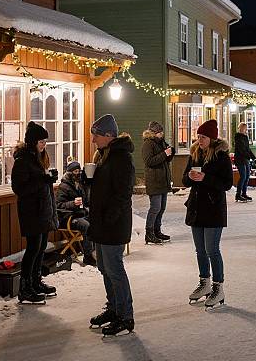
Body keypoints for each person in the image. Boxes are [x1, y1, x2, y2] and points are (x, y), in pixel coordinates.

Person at [87, 114, 135, 336]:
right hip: (102, 222)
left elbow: (123, 193)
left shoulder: (121, 158)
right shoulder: (103, 156)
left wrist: (109, 217)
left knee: (114, 269)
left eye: (96, 135)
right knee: (104, 267)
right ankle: (114, 308)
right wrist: (88, 181)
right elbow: (104, 187)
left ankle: (125, 316)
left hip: (113, 224)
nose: (93, 140)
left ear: (108, 135)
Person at [183, 119, 233, 309]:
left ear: (212, 138)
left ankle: (218, 287)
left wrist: (206, 178)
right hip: (196, 207)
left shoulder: (221, 156)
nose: (199, 140)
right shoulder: (195, 153)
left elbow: (227, 183)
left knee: (212, 249)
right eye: (198, 136)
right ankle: (204, 282)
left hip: (213, 208)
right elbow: (184, 179)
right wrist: (189, 177)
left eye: (203, 137)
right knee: (200, 250)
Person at [11, 121, 59, 304]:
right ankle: (25, 288)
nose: (44, 145)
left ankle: (36, 282)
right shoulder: (23, 160)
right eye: (41, 141)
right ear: (32, 142)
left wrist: (47, 180)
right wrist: (44, 180)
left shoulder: (38, 159)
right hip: (31, 211)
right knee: (33, 248)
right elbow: (19, 188)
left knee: (41, 247)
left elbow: (39, 183)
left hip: (43, 210)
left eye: (45, 142)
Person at [56, 160, 96, 266]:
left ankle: (95, 253)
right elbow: (59, 205)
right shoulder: (63, 187)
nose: (77, 173)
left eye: (79, 171)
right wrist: (73, 203)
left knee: (96, 221)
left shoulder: (79, 185)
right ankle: (88, 256)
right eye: (75, 171)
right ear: (69, 173)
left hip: (80, 214)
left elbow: (85, 201)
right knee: (87, 226)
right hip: (68, 217)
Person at [142, 121, 175, 244]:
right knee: (155, 207)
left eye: (162, 132)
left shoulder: (161, 142)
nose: (162, 134)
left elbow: (166, 159)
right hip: (154, 180)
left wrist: (170, 153)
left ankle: (157, 230)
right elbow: (149, 161)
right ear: (154, 133)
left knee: (162, 208)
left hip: (163, 180)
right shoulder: (148, 144)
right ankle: (149, 233)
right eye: (160, 132)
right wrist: (164, 154)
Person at [234, 123, 256, 202]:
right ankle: (238, 194)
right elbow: (241, 149)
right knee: (243, 176)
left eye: (245, 128)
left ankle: (244, 193)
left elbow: (247, 148)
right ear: (240, 128)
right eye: (243, 128)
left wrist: (253, 157)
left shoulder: (245, 137)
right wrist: (248, 156)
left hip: (246, 159)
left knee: (247, 176)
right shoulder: (238, 137)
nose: (244, 129)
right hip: (240, 159)